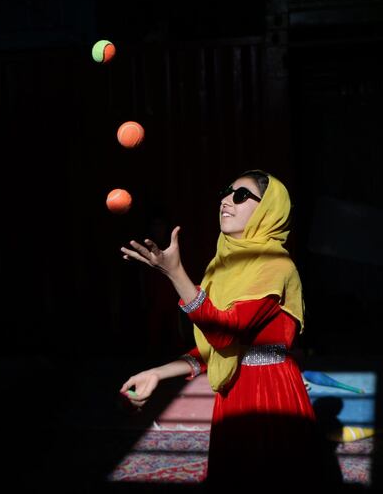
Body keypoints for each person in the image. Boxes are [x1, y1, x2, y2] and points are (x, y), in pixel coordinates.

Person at [119, 169, 336, 490]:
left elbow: (226, 332)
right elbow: (212, 349)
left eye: (241, 195)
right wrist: (158, 373)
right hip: (232, 395)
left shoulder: (276, 265)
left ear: (267, 211)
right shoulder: (220, 267)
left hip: (270, 397)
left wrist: (175, 273)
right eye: (225, 192)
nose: (226, 201)